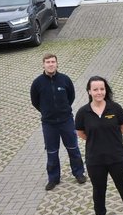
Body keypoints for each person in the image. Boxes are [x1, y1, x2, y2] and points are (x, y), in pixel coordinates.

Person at [75, 76, 123, 215]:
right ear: (89, 91)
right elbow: (81, 133)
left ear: (106, 90)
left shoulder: (115, 108)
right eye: (95, 89)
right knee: (99, 190)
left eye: (101, 89)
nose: (99, 92)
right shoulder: (83, 112)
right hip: (95, 160)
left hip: (117, 158)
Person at [30, 53, 86, 191]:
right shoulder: (37, 83)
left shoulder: (65, 80)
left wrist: (63, 110)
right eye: (48, 62)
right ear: (43, 64)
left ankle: (79, 173)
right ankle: (53, 178)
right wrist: (46, 111)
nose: (50, 64)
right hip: (49, 124)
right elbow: (35, 101)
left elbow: (71, 97)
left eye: (53, 61)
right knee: (52, 151)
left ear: (57, 63)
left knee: (73, 148)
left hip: (66, 121)